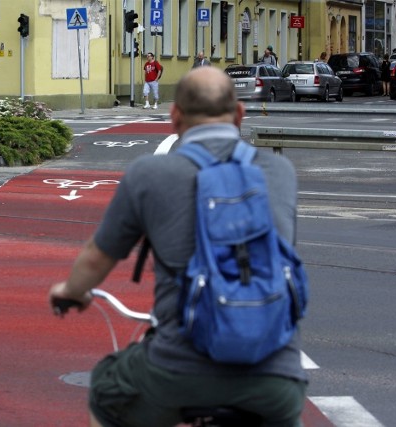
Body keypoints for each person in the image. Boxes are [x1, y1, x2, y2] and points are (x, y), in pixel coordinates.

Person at [49, 66, 307, 427]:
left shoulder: (149, 174)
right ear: (239, 114)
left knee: (106, 396)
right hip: (276, 377)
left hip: (175, 371)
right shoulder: (279, 171)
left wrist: (71, 291)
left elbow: (96, 258)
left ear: (174, 116)